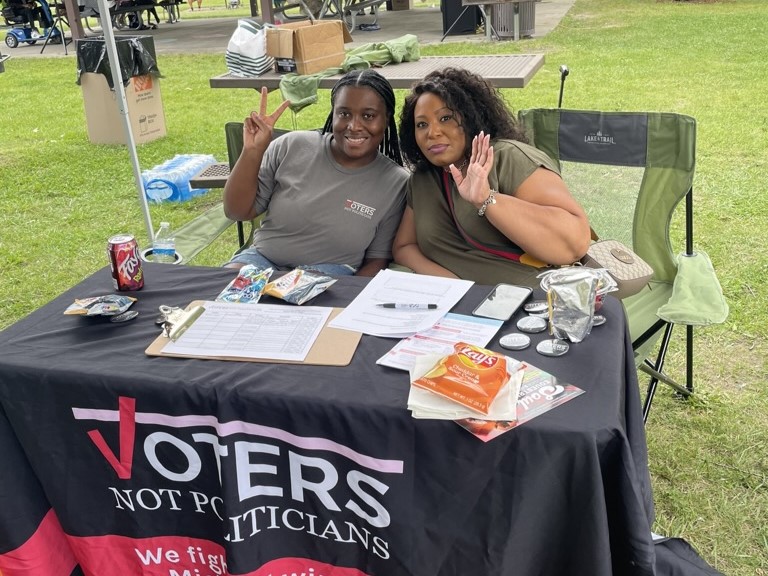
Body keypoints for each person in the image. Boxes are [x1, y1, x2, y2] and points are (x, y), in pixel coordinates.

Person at [393, 67, 591, 288]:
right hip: (456, 304)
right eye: (422, 124)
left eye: (446, 118)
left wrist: (486, 199)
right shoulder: (423, 179)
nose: (433, 132)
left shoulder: (508, 158)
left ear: (470, 117)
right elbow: (404, 246)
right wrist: (452, 285)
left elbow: (573, 244)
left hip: (532, 303)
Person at [223, 69, 409, 277]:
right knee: (222, 291)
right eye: (344, 113)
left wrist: (349, 296)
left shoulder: (396, 183)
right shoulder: (291, 146)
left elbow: (377, 259)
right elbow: (237, 211)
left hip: (328, 273)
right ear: (333, 113)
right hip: (262, 259)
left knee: (297, 303)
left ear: (386, 119)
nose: (354, 126)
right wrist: (252, 152)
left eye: (368, 116)